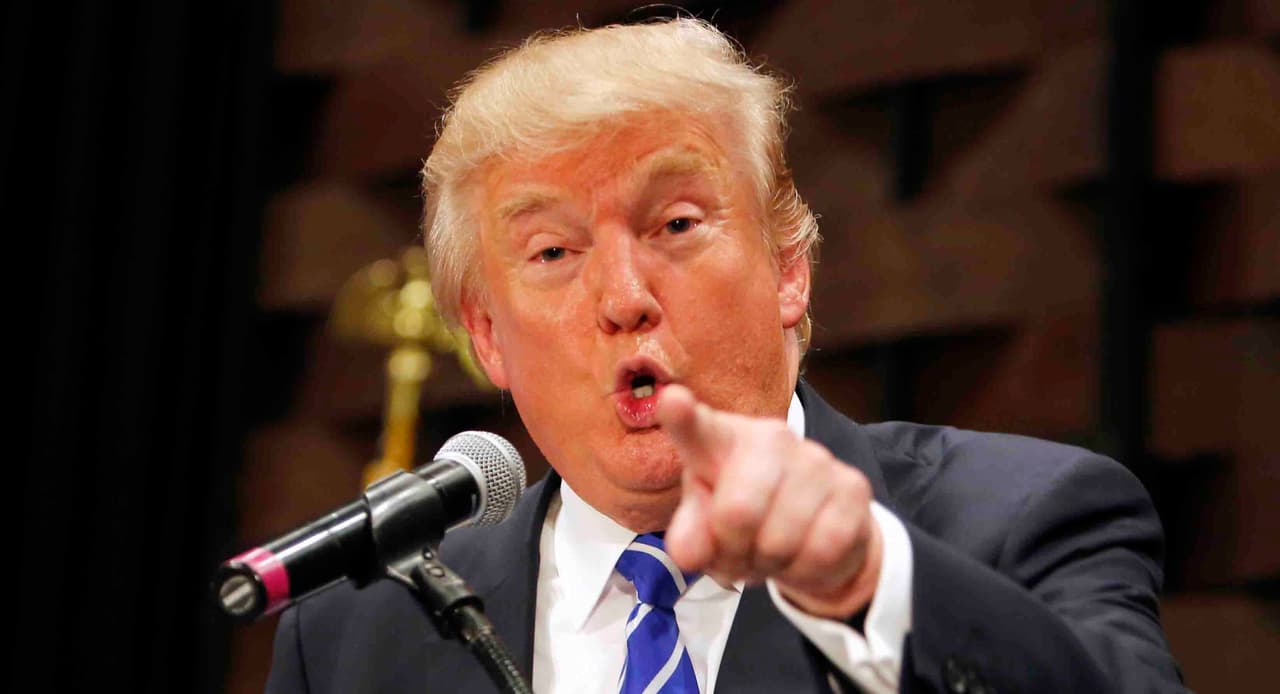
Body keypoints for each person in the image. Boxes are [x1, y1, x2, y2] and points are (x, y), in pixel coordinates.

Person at [266, 18, 1184, 693]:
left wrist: (868, 582)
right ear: (487, 336)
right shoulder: (355, 639)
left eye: (675, 224)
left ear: (789, 268)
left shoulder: (1022, 522)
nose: (624, 297)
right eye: (552, 252)